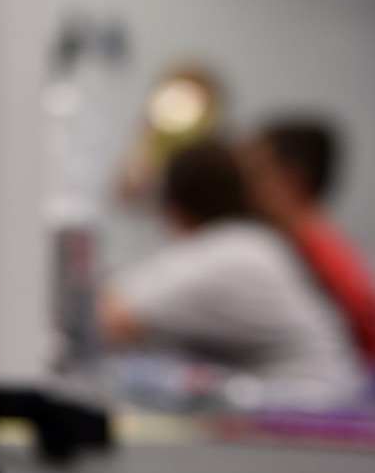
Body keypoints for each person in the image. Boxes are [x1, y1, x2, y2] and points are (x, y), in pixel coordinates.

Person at [98, 141, 363, 406]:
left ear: (175, 210)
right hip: (326, 399)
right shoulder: (254, 243)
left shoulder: (230, 251)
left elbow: (109, 318)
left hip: (310, 413)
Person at [239, 119, 375, 364]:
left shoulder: (319, 259)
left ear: (291, 182)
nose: (240, 188)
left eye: (253, 174)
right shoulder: (306, 246)